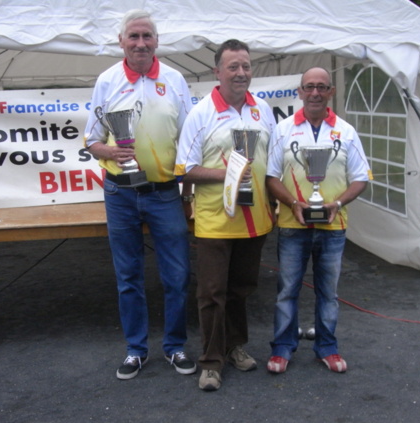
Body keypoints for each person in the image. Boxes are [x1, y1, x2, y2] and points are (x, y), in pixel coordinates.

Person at [84, 9, 196, 380]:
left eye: (147, 36)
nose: (141, 43)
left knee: (177, 276)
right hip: (120, 193)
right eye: (133, 36)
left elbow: (190, 143)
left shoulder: (176, 79)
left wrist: (188, 192)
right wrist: (111, 152)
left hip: (165, 193)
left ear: (157, 41)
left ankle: (175, 346)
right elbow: (92, 140)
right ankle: (136, 349)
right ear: (121, 42)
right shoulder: (107, 80)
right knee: (128, 276)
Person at [175, 39, 276, 391]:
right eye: (233, 66)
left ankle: (234, 346)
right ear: (217, 71)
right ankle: (211, 361)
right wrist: (227, 175)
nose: (241, 72)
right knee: (212, 292)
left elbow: (273, 163)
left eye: (246, 66)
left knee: (241, 289)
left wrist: (278, 204)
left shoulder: (263, 110)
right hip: (215, 220)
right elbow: (184, 168)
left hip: (256, 218)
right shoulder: (201, 113)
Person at [265, 67, 371, 374]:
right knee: (287, 290)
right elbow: (271, 176)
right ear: (299, 91)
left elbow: (361, 178)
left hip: (333, 227)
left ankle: (327, 346)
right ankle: (282, 347)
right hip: (292, 224)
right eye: (309, 87)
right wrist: (292, 202)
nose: (315, 93)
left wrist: (337, 203)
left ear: (331, 92)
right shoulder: (283, 129)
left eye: (321, 87)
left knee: (329, 292)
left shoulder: (346, 131)